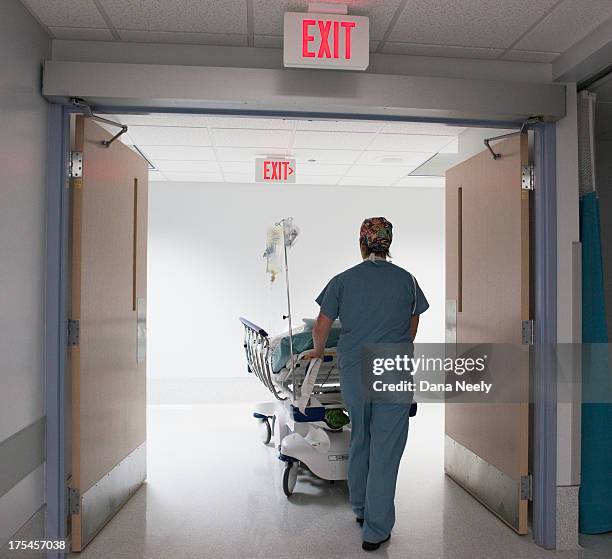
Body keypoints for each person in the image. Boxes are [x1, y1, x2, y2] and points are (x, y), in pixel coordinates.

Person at [309, 217, 429, 551]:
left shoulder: (343, 280)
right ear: (388, 244)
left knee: (361, 436)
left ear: (362, 243)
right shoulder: (407, 281)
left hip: (354, 369)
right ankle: (375, 530)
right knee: (386, 449)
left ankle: (361, 508)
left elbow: (321, 325)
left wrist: (319, 352)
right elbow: (413, 322)